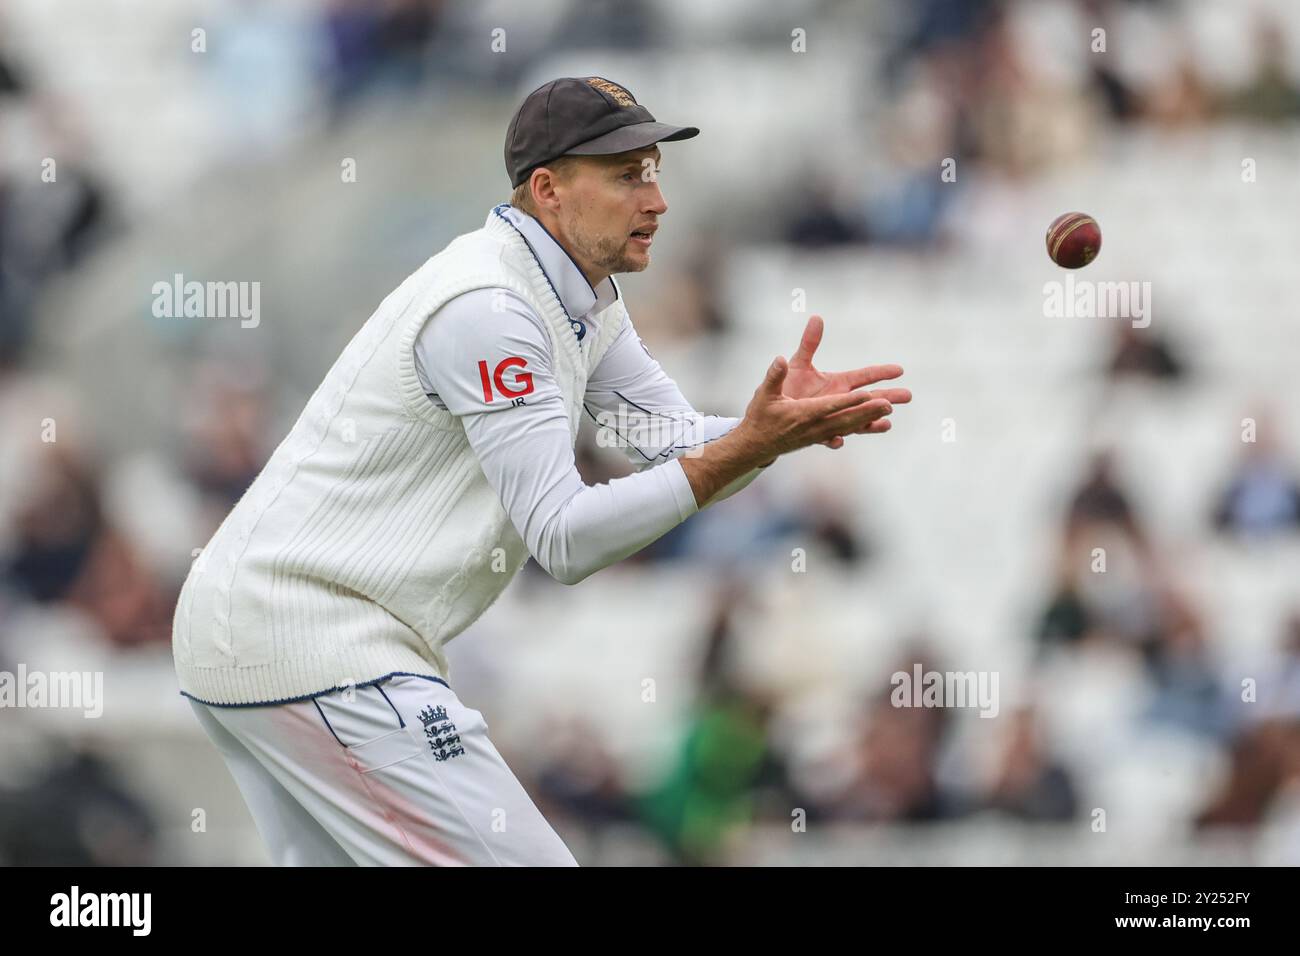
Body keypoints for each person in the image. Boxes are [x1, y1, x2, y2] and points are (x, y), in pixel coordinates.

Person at [173, 75, 911, 866]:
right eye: (628, 175)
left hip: (271, 634)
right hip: (314, 639)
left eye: (654, 171)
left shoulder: (578, 295)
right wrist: (749, 445)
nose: (657, 200)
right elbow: (563, 539)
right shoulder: (491, 310)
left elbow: (668, 437)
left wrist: (773, 429)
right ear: (548, 189)